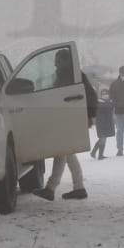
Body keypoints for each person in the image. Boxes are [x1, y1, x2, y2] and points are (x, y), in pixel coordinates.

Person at [36, 49, 95, 200]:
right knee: (67, 152)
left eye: (58, 60)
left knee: (62, 151)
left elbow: (91, 95)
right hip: (63, 118)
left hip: (70, 118)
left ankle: (51, 188)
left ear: (66, 61)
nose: (55, 64)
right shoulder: (63, 75)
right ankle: (78, 187)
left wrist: (90, 115)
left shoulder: (76, 75)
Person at [92, 88, 115, 159]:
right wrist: (109, 103)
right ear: (101, 95)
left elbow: (111, 109)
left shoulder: (109, 102)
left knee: (103, 138)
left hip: (107, 123)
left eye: (106, 94)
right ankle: (99, 155)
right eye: (103, 94)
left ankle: (95, 153)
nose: (105, 95)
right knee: (103, 138)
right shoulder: (99, 102)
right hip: (101, 123)